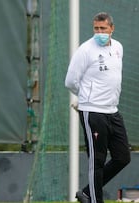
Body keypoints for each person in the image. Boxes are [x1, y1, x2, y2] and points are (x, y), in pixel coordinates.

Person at [65, 12, 131, 203]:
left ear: (112, 28)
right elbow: (70, 81)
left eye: (103, 28)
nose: (99, 32)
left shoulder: (118, 47)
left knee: (122, 157)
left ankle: (86, 192)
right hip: (93, 112)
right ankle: (94, 200)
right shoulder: (85, 50)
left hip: (113, 111)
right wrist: (86, 99)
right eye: (96, 28)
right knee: (97, 161)